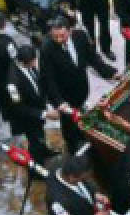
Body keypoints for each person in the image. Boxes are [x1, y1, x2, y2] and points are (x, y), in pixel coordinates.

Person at [39, 17, 116, 153]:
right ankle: (73, 146)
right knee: (68, 124)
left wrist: (111, 72)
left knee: (81, 115)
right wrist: (59, 102)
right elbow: (48, 79)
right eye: (55, 36)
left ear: (70, 31)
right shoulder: (47, 49)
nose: (58, 39)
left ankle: (82, 135)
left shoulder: (80, 36)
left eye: (62, 36)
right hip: (64, 97)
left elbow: (93, 58)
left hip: (81, 89)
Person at [6, 44, 56, 165]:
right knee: (35, 142)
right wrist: (44, 114)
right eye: (33, 61)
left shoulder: (28, 66)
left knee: (40, 136)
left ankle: (44, 151)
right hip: (28, 119)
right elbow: (19, 108)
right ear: (24, 62)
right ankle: (37, 167)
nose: (36, 62)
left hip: (37, 111)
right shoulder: (12, 83)